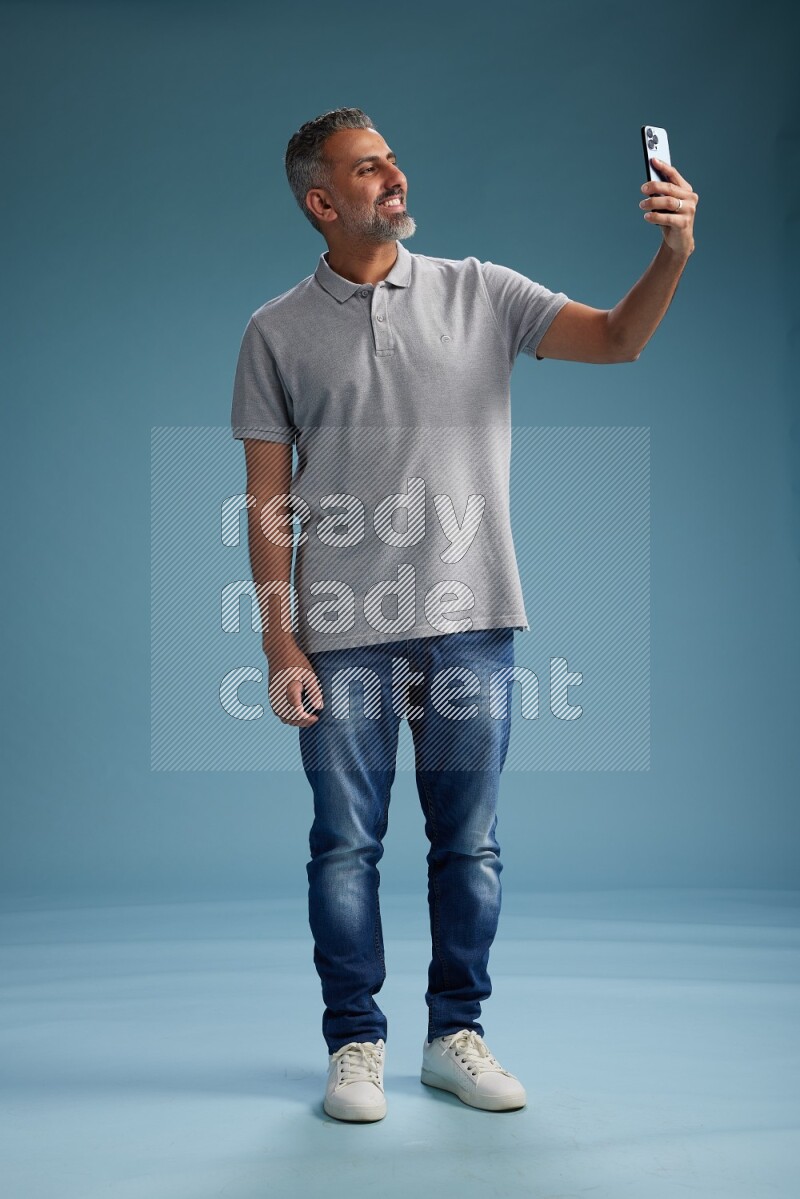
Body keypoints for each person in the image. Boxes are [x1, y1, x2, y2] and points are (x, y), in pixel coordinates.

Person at [231, 108, 698, 1123]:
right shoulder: (274, 331)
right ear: (321, 201)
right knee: (344, 847)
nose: (393, 176)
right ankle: (353, 1042)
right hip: (340, 632)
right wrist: (278, 638)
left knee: (469, 844)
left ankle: (454, 1035)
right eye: (367, 168)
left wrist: (672, 250)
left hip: (471, 617)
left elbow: (616, 341)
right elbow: (268, 502)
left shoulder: (480, 290)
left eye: (393, 159)